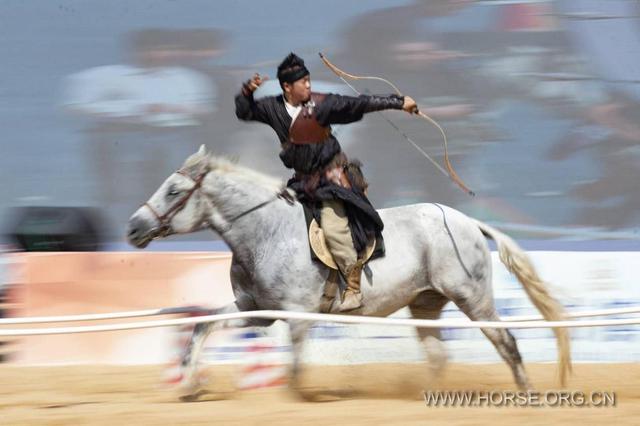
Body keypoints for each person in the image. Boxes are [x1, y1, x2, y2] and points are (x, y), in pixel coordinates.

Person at [235, 53, 417, 311]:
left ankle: (353, 286)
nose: (308, 86)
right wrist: (246, 91)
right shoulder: (271, 107)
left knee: (334, 227)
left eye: (309, 80)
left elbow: (359, 104)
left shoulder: (323, 104)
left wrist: (399, 102)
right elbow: (244, 112)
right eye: (302, 82)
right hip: (300, 185)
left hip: (332, 182)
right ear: (287, 87)